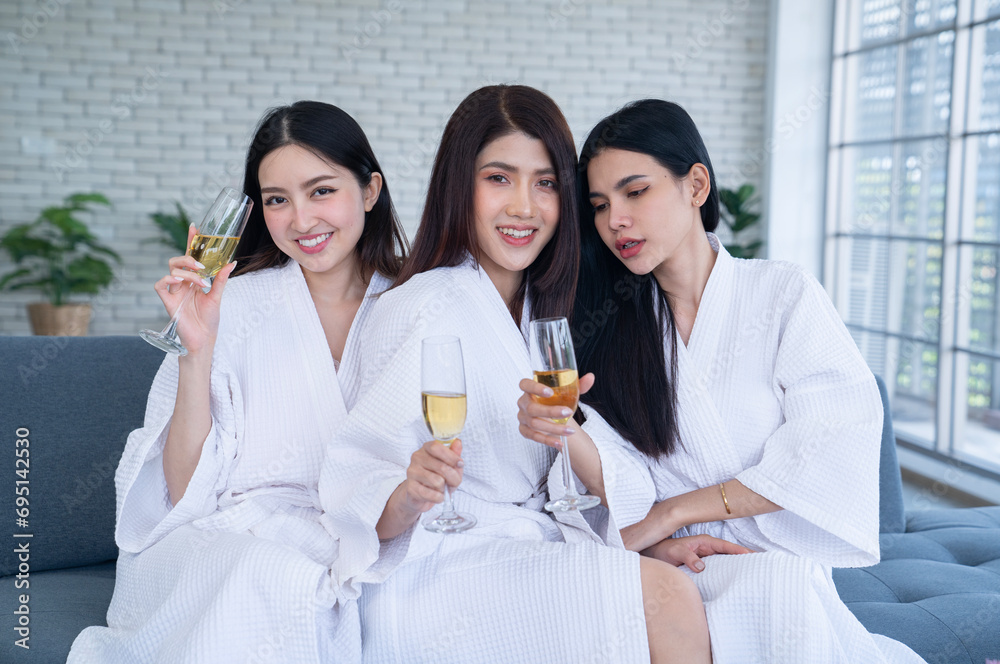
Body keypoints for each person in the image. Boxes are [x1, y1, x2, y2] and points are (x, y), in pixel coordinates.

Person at [319, 85, 750, 664]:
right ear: (458, 186)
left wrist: (579, 449)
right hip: (439, 566)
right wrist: (410, 489)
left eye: (545, 183)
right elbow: (357, 490)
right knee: (668, 600)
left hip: (539, 543)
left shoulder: (560, 311)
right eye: (499, 178)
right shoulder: (421, 306)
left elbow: (616, 476)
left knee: (680, 588)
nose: (524, 207)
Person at [516, 99, 926, 663]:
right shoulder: (608, 327)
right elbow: (622, 481)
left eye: (636, 192)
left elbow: (826, 446)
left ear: (696, 185)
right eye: (601, 205)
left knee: (778, 590)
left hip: (773, 567)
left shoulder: (783, 295)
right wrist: (566, 429)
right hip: (671, 568)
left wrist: (675, 511)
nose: (615, 221)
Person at [69, 100, 408, 664]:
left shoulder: (416, 301)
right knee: (267, 573)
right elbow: (181, 492)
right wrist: (195, 352)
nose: (301, 220)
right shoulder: (235, 304)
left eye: (322, 191)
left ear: (370, 190)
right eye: (277, 200)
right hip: (236, 540)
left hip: (366, 535)